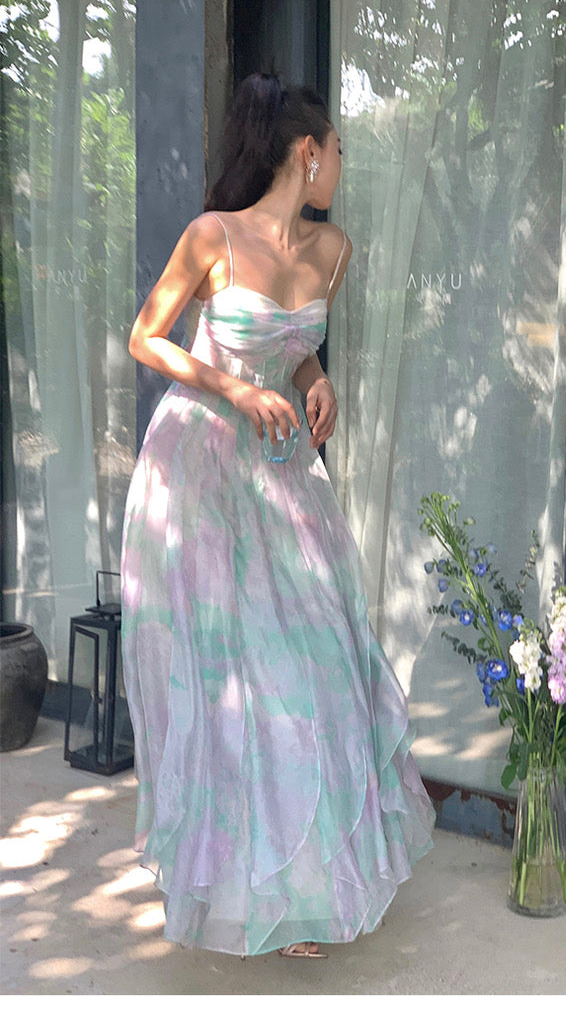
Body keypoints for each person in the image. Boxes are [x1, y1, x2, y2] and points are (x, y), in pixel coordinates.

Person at [120, 73, 435, 960]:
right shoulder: (211, 235)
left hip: (282, 466)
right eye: (338, 149)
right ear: (307, 152)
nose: (341, 164)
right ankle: (252, 888)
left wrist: (315, 378)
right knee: (231, 675)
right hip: (198, 472)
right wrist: (232, 387)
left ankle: (302, 884)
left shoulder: (334, 248)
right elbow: (145, 337)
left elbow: (293, 348)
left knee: (314, 663)